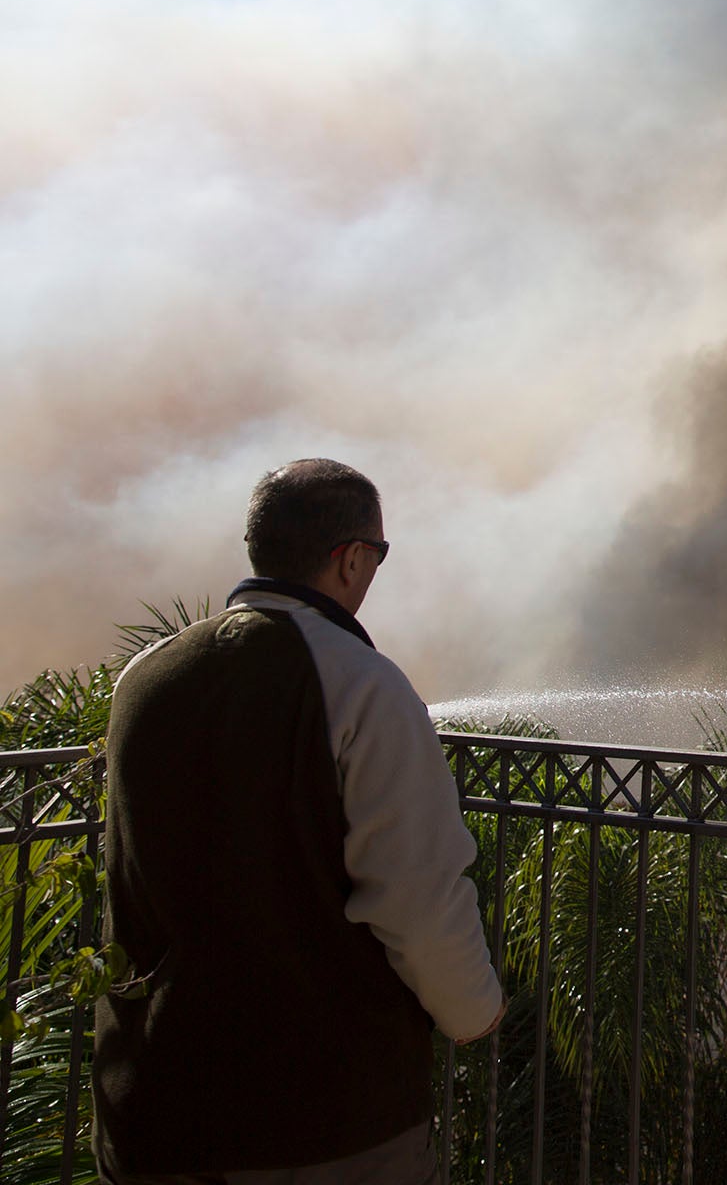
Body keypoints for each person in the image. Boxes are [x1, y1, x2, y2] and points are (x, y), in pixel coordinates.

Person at [95, 459, 505, 1184]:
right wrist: (474, 1012)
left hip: (153, 1107)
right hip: (317, 1123)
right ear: (352, 558)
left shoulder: (145, 676)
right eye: (378, 555)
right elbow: (416, 894)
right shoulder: (362, 684)